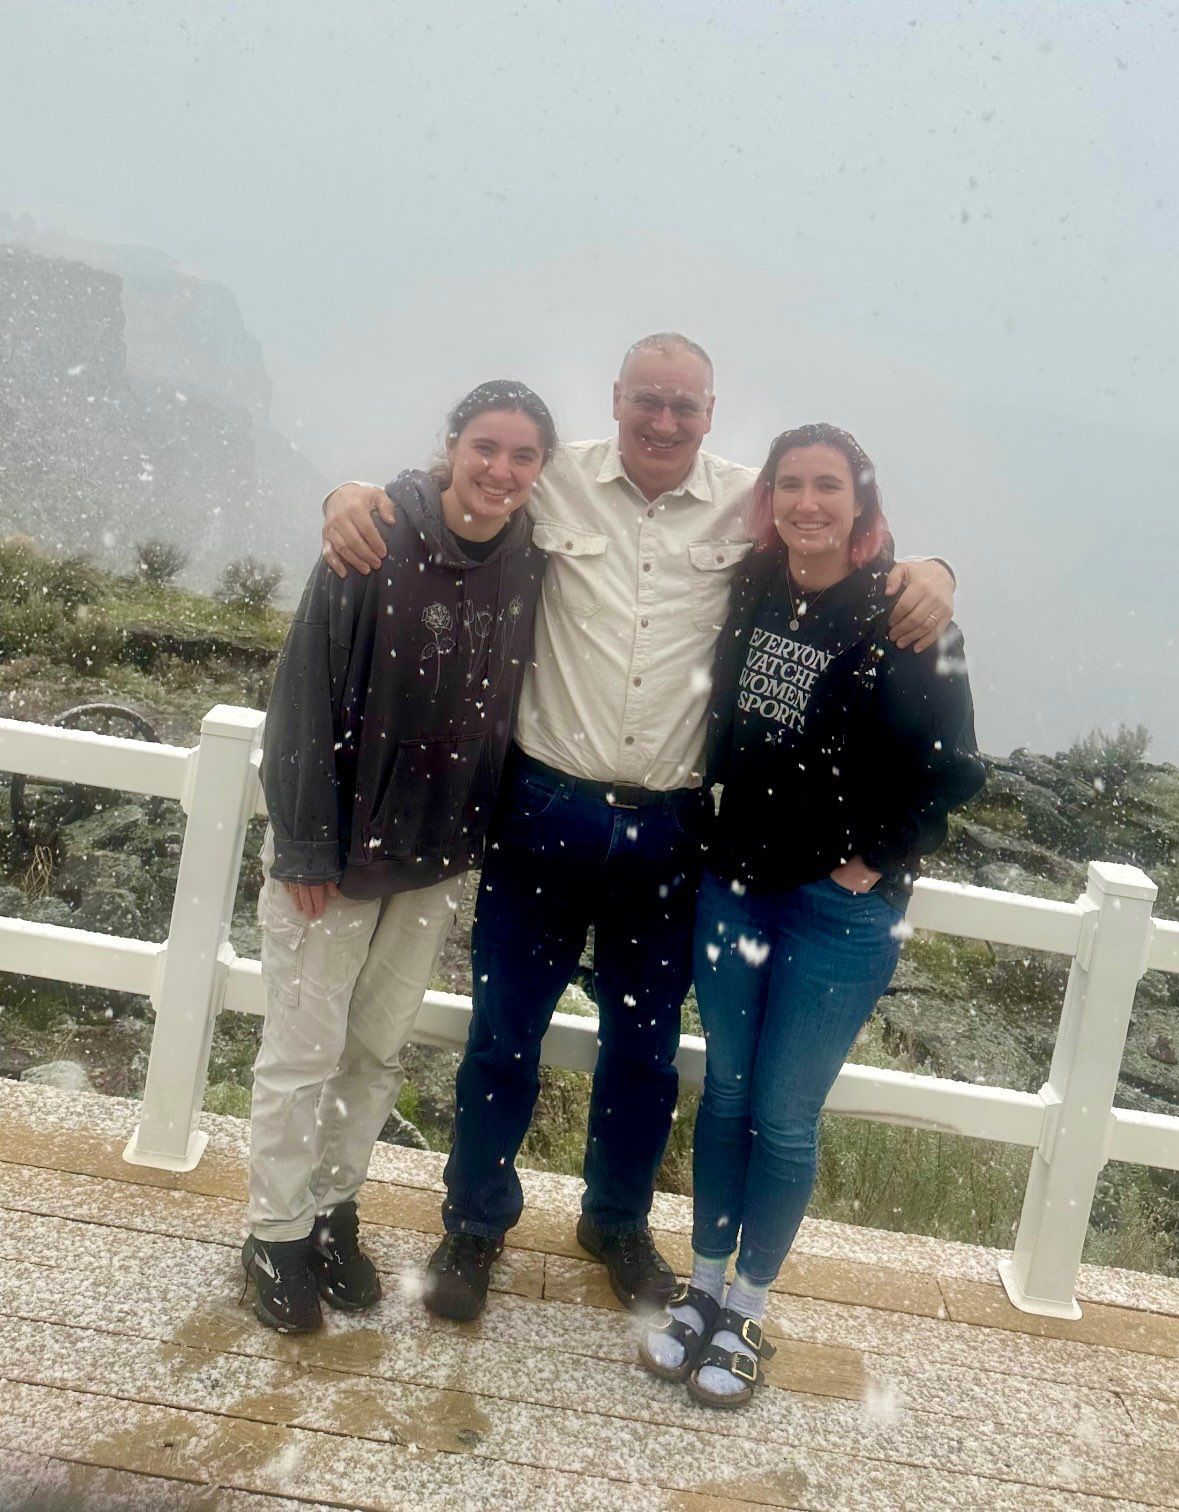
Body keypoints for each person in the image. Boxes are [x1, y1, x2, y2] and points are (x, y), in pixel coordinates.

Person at [320, 336, 957, 1321]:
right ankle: (475, 1224)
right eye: (646, 402)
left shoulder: (754, 506)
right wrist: (354, 493)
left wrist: (936, 570)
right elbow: (464, 481)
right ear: (617, 400)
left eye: (684, 406)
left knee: (645, 1048)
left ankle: (614, 1221)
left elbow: (847, 549)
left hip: (669, 829)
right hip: (544, 806)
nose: (663, 422)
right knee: (504, 1034)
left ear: (711, 410)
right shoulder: (555, 477)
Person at [639, 423, 985, 1406]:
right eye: (790, 484)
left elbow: (955, 771)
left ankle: (747, 1310)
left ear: (861, 503)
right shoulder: (752, 587)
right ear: (771, 500)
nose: (806, 503)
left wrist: (871, 862)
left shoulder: (907, 617)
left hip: (836, 914)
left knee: (785, 1119)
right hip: (733, 885)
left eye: (827, 485)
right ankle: (700, 1292)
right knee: (729, 1099)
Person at [242, 380, 556, 1332]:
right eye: (485, 448)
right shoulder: (370, 538)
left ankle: (333, 1211)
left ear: (541, 471)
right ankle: (273, 1231)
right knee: (302, 1053)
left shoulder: (529, 561)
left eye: (523, 457)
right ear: (450, 445)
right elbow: (302, 689)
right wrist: (303, 846)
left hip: (431, 858)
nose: (500, 471)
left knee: (374, 1053)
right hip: (332, 856)